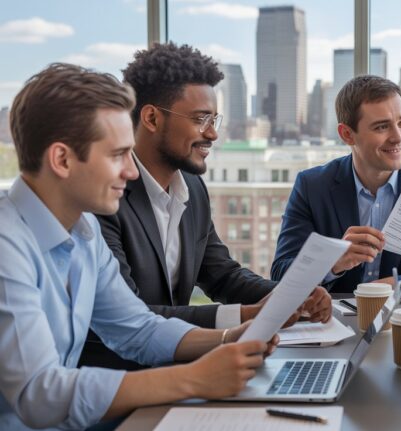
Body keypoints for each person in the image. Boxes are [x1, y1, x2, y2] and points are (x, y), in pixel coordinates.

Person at [0, 63, 275, 430]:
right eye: (117, 155)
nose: (131, 172)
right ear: (62, 159)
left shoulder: (84, 232)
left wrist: (227, 339)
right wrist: (192, 378)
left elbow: (136, 329)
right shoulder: (7, 246)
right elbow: (39, 394)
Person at [79, 42, 330, 370]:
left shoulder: (192, 188)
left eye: (215, 119)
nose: (212, 133)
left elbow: (220, 274)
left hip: (178, 367)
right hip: (117, 379)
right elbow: (131, 316)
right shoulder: (103, 196)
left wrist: (291, 296)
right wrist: (242, 318)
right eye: (201, 119)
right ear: (152, 117)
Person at [271, 75, 401, 297]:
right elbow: (281, 273)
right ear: (347, 134)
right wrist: (332, 263)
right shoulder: (312, 187)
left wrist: (396, 285)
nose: (398, 138)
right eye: (381, 127)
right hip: (334, 323)